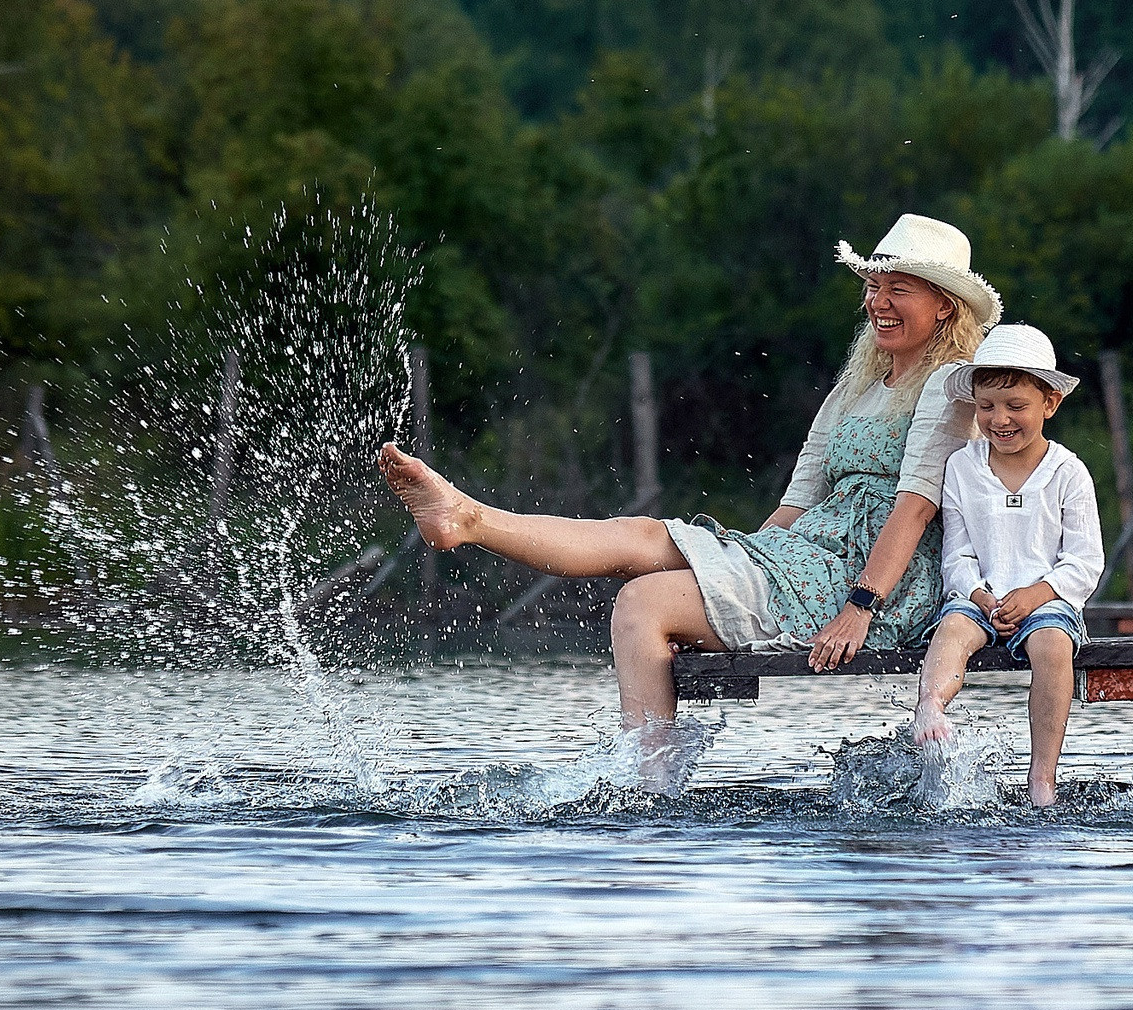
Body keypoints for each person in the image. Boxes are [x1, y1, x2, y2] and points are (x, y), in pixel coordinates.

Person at [377, 214, 996, 784]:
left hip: (880, 582)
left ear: (944, 306)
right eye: (872, 286)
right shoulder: (860, 381)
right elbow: (801, 496)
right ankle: (469, 518)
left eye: (898, 290)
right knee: (645, 536)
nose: (877, 302)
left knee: (643, 601)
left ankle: (649, 794)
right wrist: (739, 560)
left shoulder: (949, 386)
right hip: (810, 558)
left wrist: (860, 605)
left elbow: (917, 505)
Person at [908, 324, 1104, 808]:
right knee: (952, 630)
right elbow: (956, 551)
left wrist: (1037, 594)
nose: (1000, 420)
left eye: (1016, 406)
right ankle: (931, 705)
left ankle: (1042, 777)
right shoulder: (962, 466)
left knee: (1054, 646)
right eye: (987, 406)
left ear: (1050, 403)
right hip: (980, 595)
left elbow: (1084, 559)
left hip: (1046, 601)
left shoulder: (1067, 472)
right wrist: (977, 594)